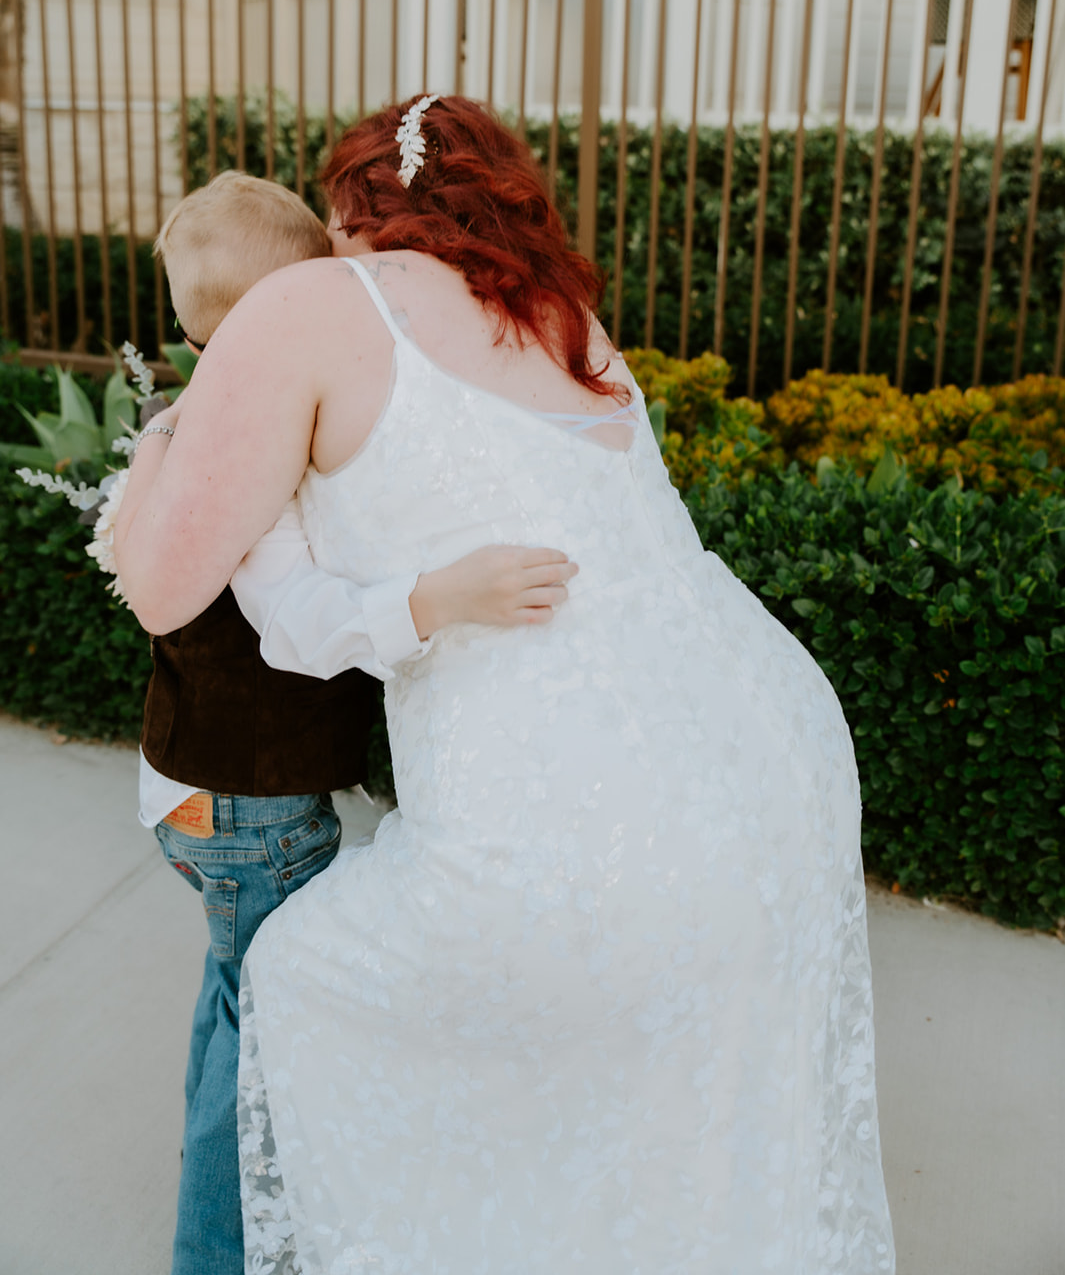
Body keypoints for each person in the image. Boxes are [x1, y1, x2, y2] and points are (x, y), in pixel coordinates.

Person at [115, 97, 895, 1274]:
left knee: (292, 976)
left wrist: (161, 442)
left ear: (353, 213)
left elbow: (164, 586)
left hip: (571, 831)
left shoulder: (312, 302)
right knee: (638, 1086)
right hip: (776, 775)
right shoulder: (563, 319)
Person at [135, 168, 577, 1275]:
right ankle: (215, 1252)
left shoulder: (180, 418)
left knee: (233, 998)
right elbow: (300, 618)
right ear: (272, 323)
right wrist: (443, 596)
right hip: (254, 802)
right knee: (264, 1037)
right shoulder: (257, 458)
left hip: (191, 790)